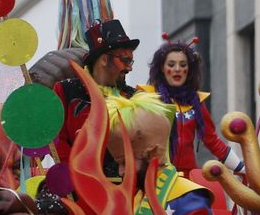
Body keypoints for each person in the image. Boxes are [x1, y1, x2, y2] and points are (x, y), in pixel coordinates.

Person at [137, 36, 237, 174]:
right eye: (171, 65)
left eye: (183, 65)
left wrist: (241, 167)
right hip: (158, 178)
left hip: (189, 178)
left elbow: (212, 140)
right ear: (162, 68)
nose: (177, 69)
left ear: (188, 69)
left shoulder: (196, 102)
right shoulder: (148, 99)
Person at [54, 18, 138, 178]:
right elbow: (57, 139)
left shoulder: (134, 98)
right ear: (105, 59)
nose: (130, 67)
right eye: (125, 60)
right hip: (78, 189)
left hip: (125, 192)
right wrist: (74, 175)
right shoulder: (66, 90)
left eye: (131, 60)